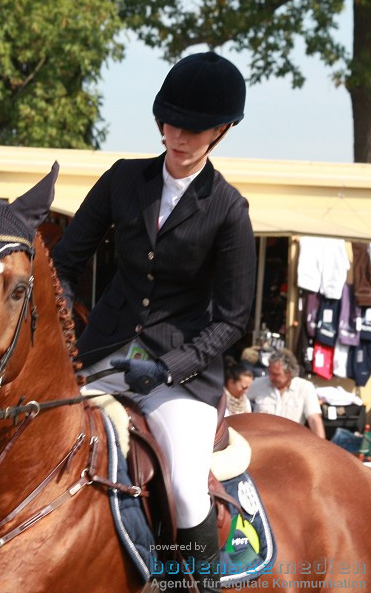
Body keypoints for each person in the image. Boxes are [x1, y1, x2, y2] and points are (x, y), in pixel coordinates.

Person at [52, 51, 255, 592]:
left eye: (192, 129)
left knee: (187, 486)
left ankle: (198, 587)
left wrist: (168, 369)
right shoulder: (124, 180)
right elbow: (66, 263)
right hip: (104, 354)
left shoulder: (229, 209)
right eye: (169, 122)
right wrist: (62, 332)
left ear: (221, 131)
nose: (177, 136)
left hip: (180, 378)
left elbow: (234, 320)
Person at [248, 349, 326, 438]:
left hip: (291, 444)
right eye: (269, 372)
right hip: (260, 440)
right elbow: (237, 395)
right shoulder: (259, 384)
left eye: (276, 374)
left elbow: (314, 419)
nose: (270, 377)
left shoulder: (305, 388)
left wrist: (321, 447)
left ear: (289, 373)